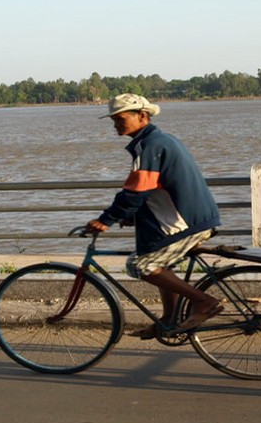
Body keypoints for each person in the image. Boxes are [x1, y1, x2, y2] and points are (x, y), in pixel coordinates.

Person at [86, 93, 222, 339]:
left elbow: (135, 192)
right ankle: (169, 319)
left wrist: (105, 220)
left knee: (141, 265)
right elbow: (154, 188)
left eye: (121, 118)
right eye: (113, 120)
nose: (116, 124)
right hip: (193, 218)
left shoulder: (150, 146)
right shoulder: (158, 141)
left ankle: (204, 302)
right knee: (161, 264)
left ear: (142, 116)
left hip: (185, 224)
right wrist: (133, 216)